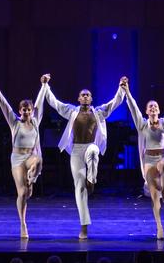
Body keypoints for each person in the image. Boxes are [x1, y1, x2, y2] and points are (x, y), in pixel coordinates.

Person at [44, 77, 127, 240]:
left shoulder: (98, 112)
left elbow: (114, 103)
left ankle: (92, 178)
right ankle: (84, 227)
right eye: (82, 95)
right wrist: (45, 86)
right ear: (78, 99)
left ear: (91, 99)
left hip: (91, 145)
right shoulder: (71, 111)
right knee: (79, 188)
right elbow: (55, 103)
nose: (85, 96)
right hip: (76, 150)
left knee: (94, 151)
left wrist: (121, 88)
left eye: (88, 95)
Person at [121, 76, 164, 240]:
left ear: (158, 110)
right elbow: (134, 109)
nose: (153, 108)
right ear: (147, 111)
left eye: (155, 106)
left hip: (163, 157)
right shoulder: (142, 125)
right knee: (154, 198)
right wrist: (127, 91)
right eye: (150, 106)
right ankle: (159, 227)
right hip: (149, 161)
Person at [0, 79, 48, 239]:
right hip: (17, 159)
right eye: (24, 109)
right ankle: (23, 224)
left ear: (32, 111)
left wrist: (44, 85)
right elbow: (5, 108)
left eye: (29, 109)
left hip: (30, 156)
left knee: (39, 161)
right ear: (20, 110)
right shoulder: (15, 122)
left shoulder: (36, 122)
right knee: (23, 193)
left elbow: (40, 103)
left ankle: (32, 176)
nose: (26, 112)